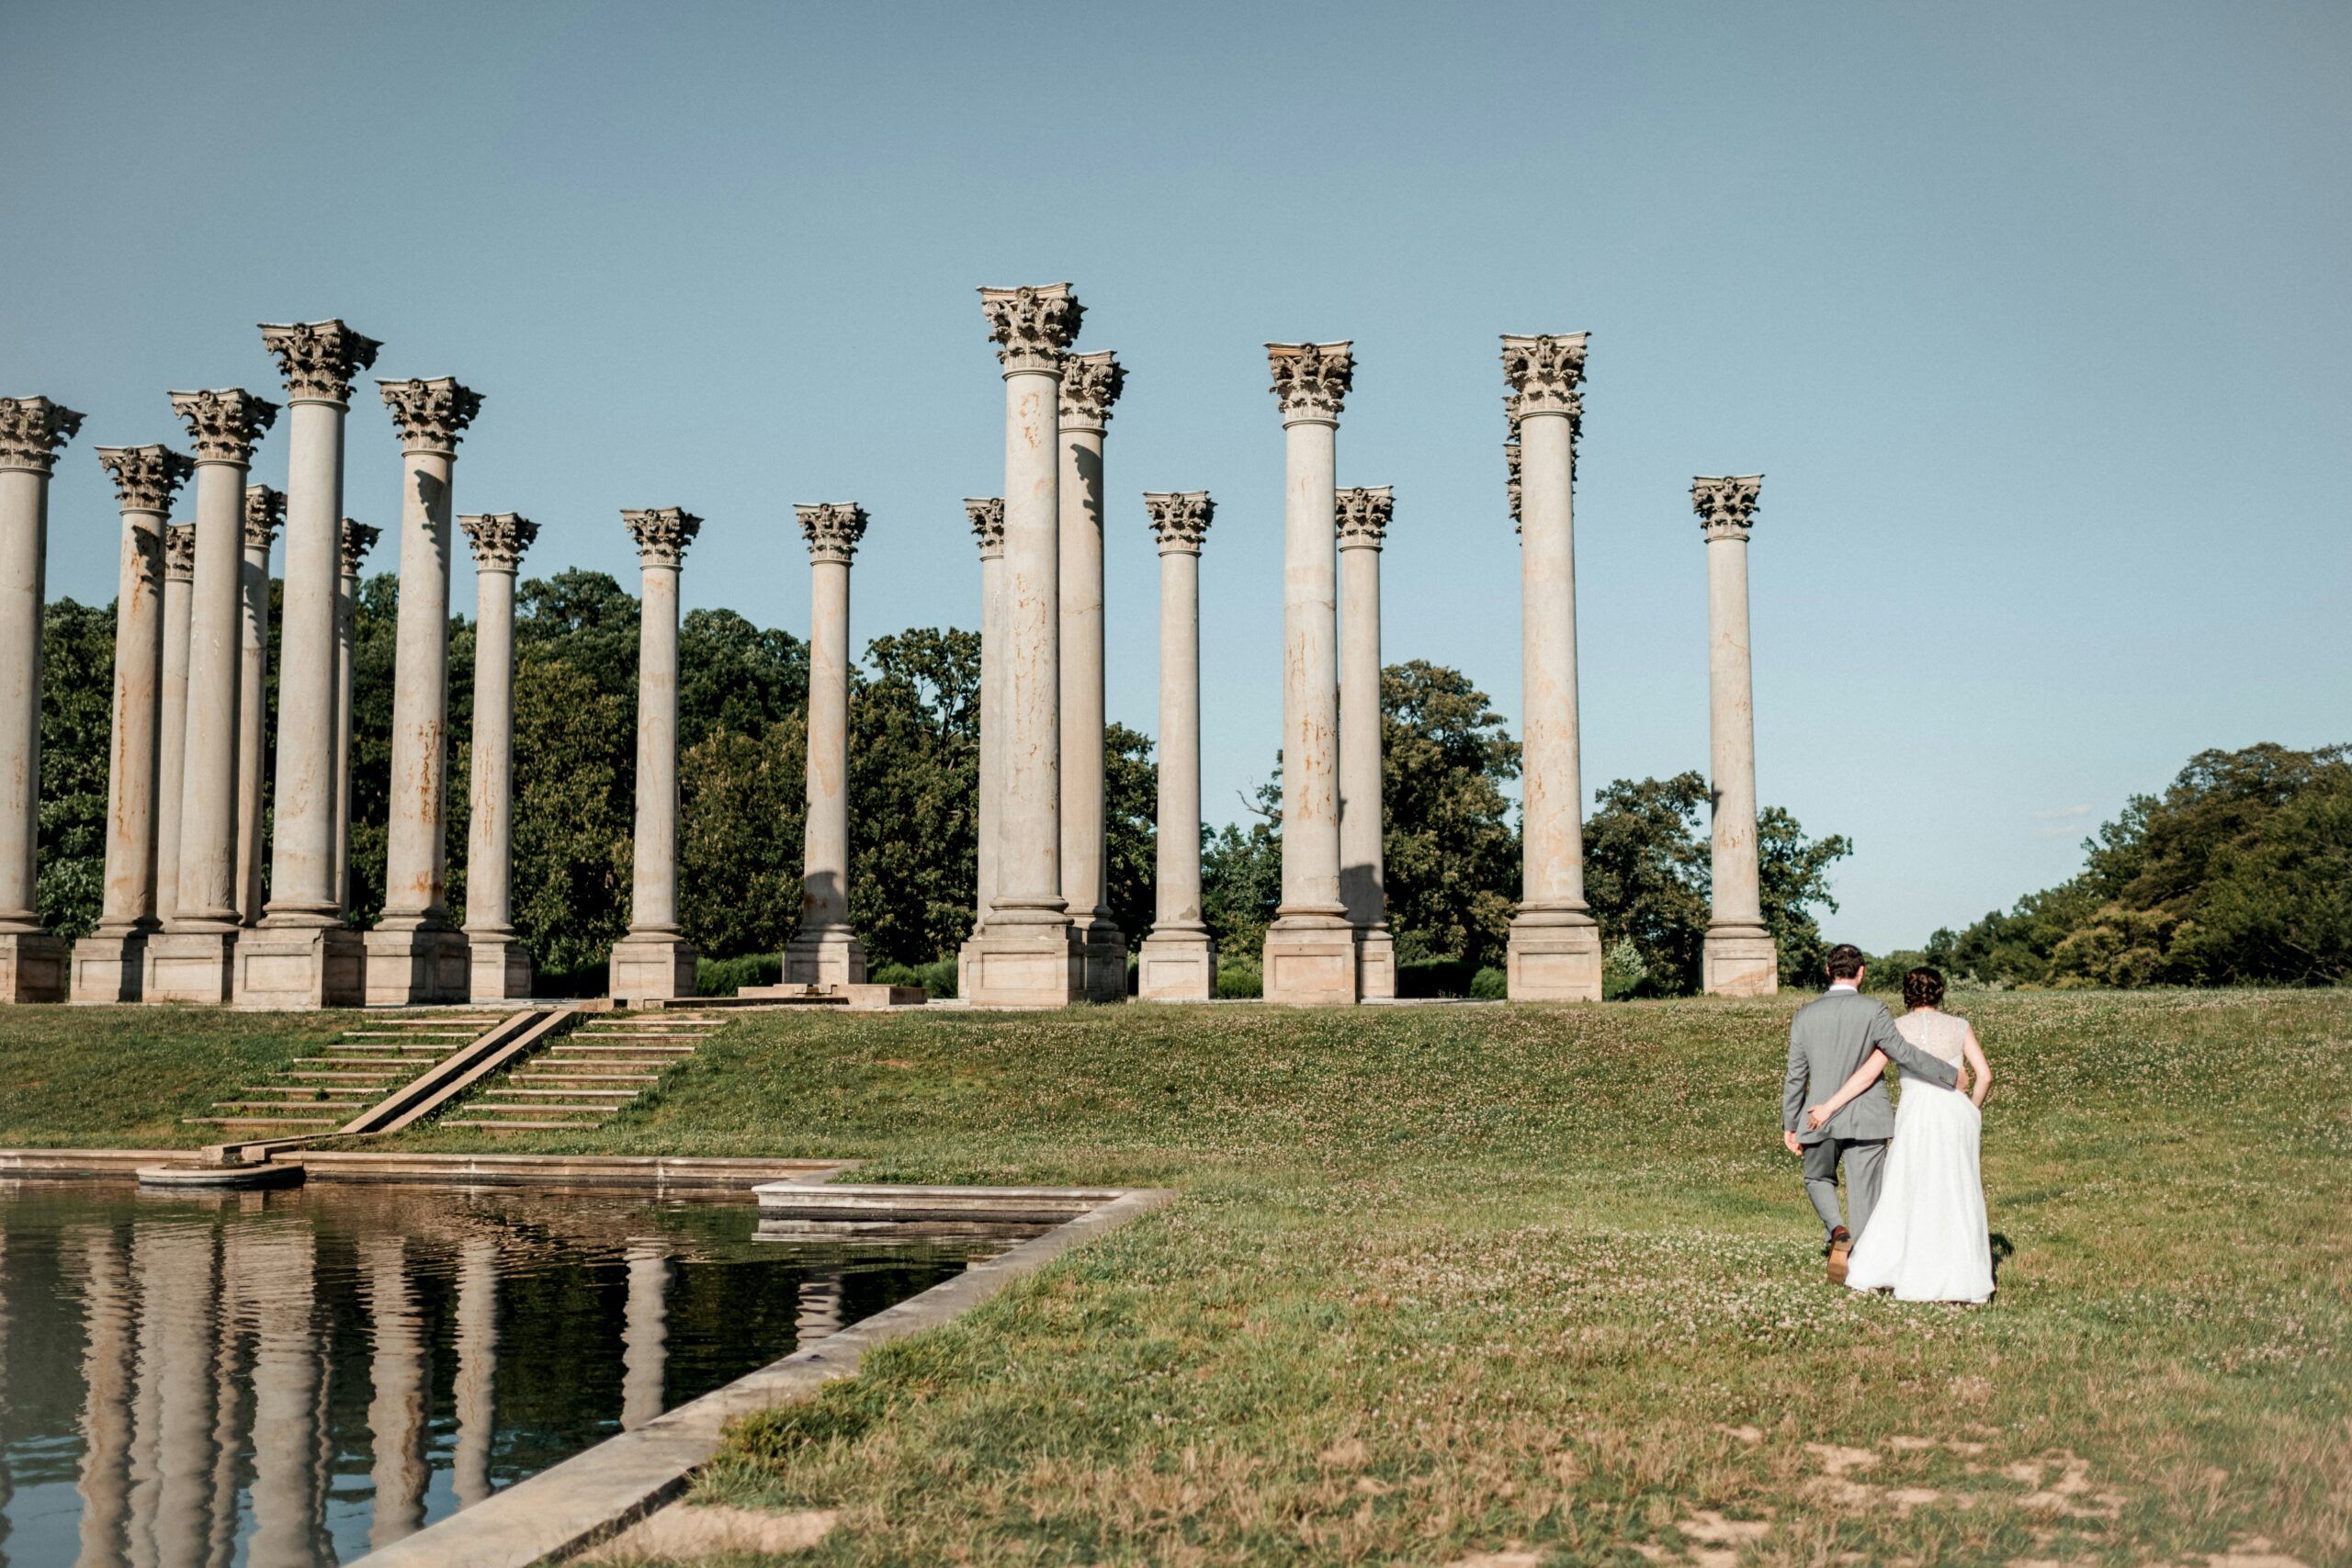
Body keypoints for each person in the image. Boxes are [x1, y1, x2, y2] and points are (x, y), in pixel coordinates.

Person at [1805, 964, 1995, 1303]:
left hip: (1917, 1115)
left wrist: (1828, 1107)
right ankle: (1959, 1273)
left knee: (1909, 1187)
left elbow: (1865, 1076)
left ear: (1906, 994)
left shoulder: (1896, 1029)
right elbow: (1985, 1076)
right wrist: (1972, 1111)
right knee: (1955, 1187)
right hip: (1955, 1113)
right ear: (1940, 992)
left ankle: (1902, 1265)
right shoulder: (1959, 1026)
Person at [1781, 943, 1962, 1281]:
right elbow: (1903, 1052)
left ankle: (1837, 1229)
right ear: (1861, 972)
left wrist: (1790, 1122)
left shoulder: (1805, 1014)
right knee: (1866, 1193)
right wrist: (1948, 1074)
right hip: (1867, 1115)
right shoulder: (1874, 1010)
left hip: (1817, 1114)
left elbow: (1796, 1074)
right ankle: (1863, 1265)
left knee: (1817, 1178)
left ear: (1827, 970)